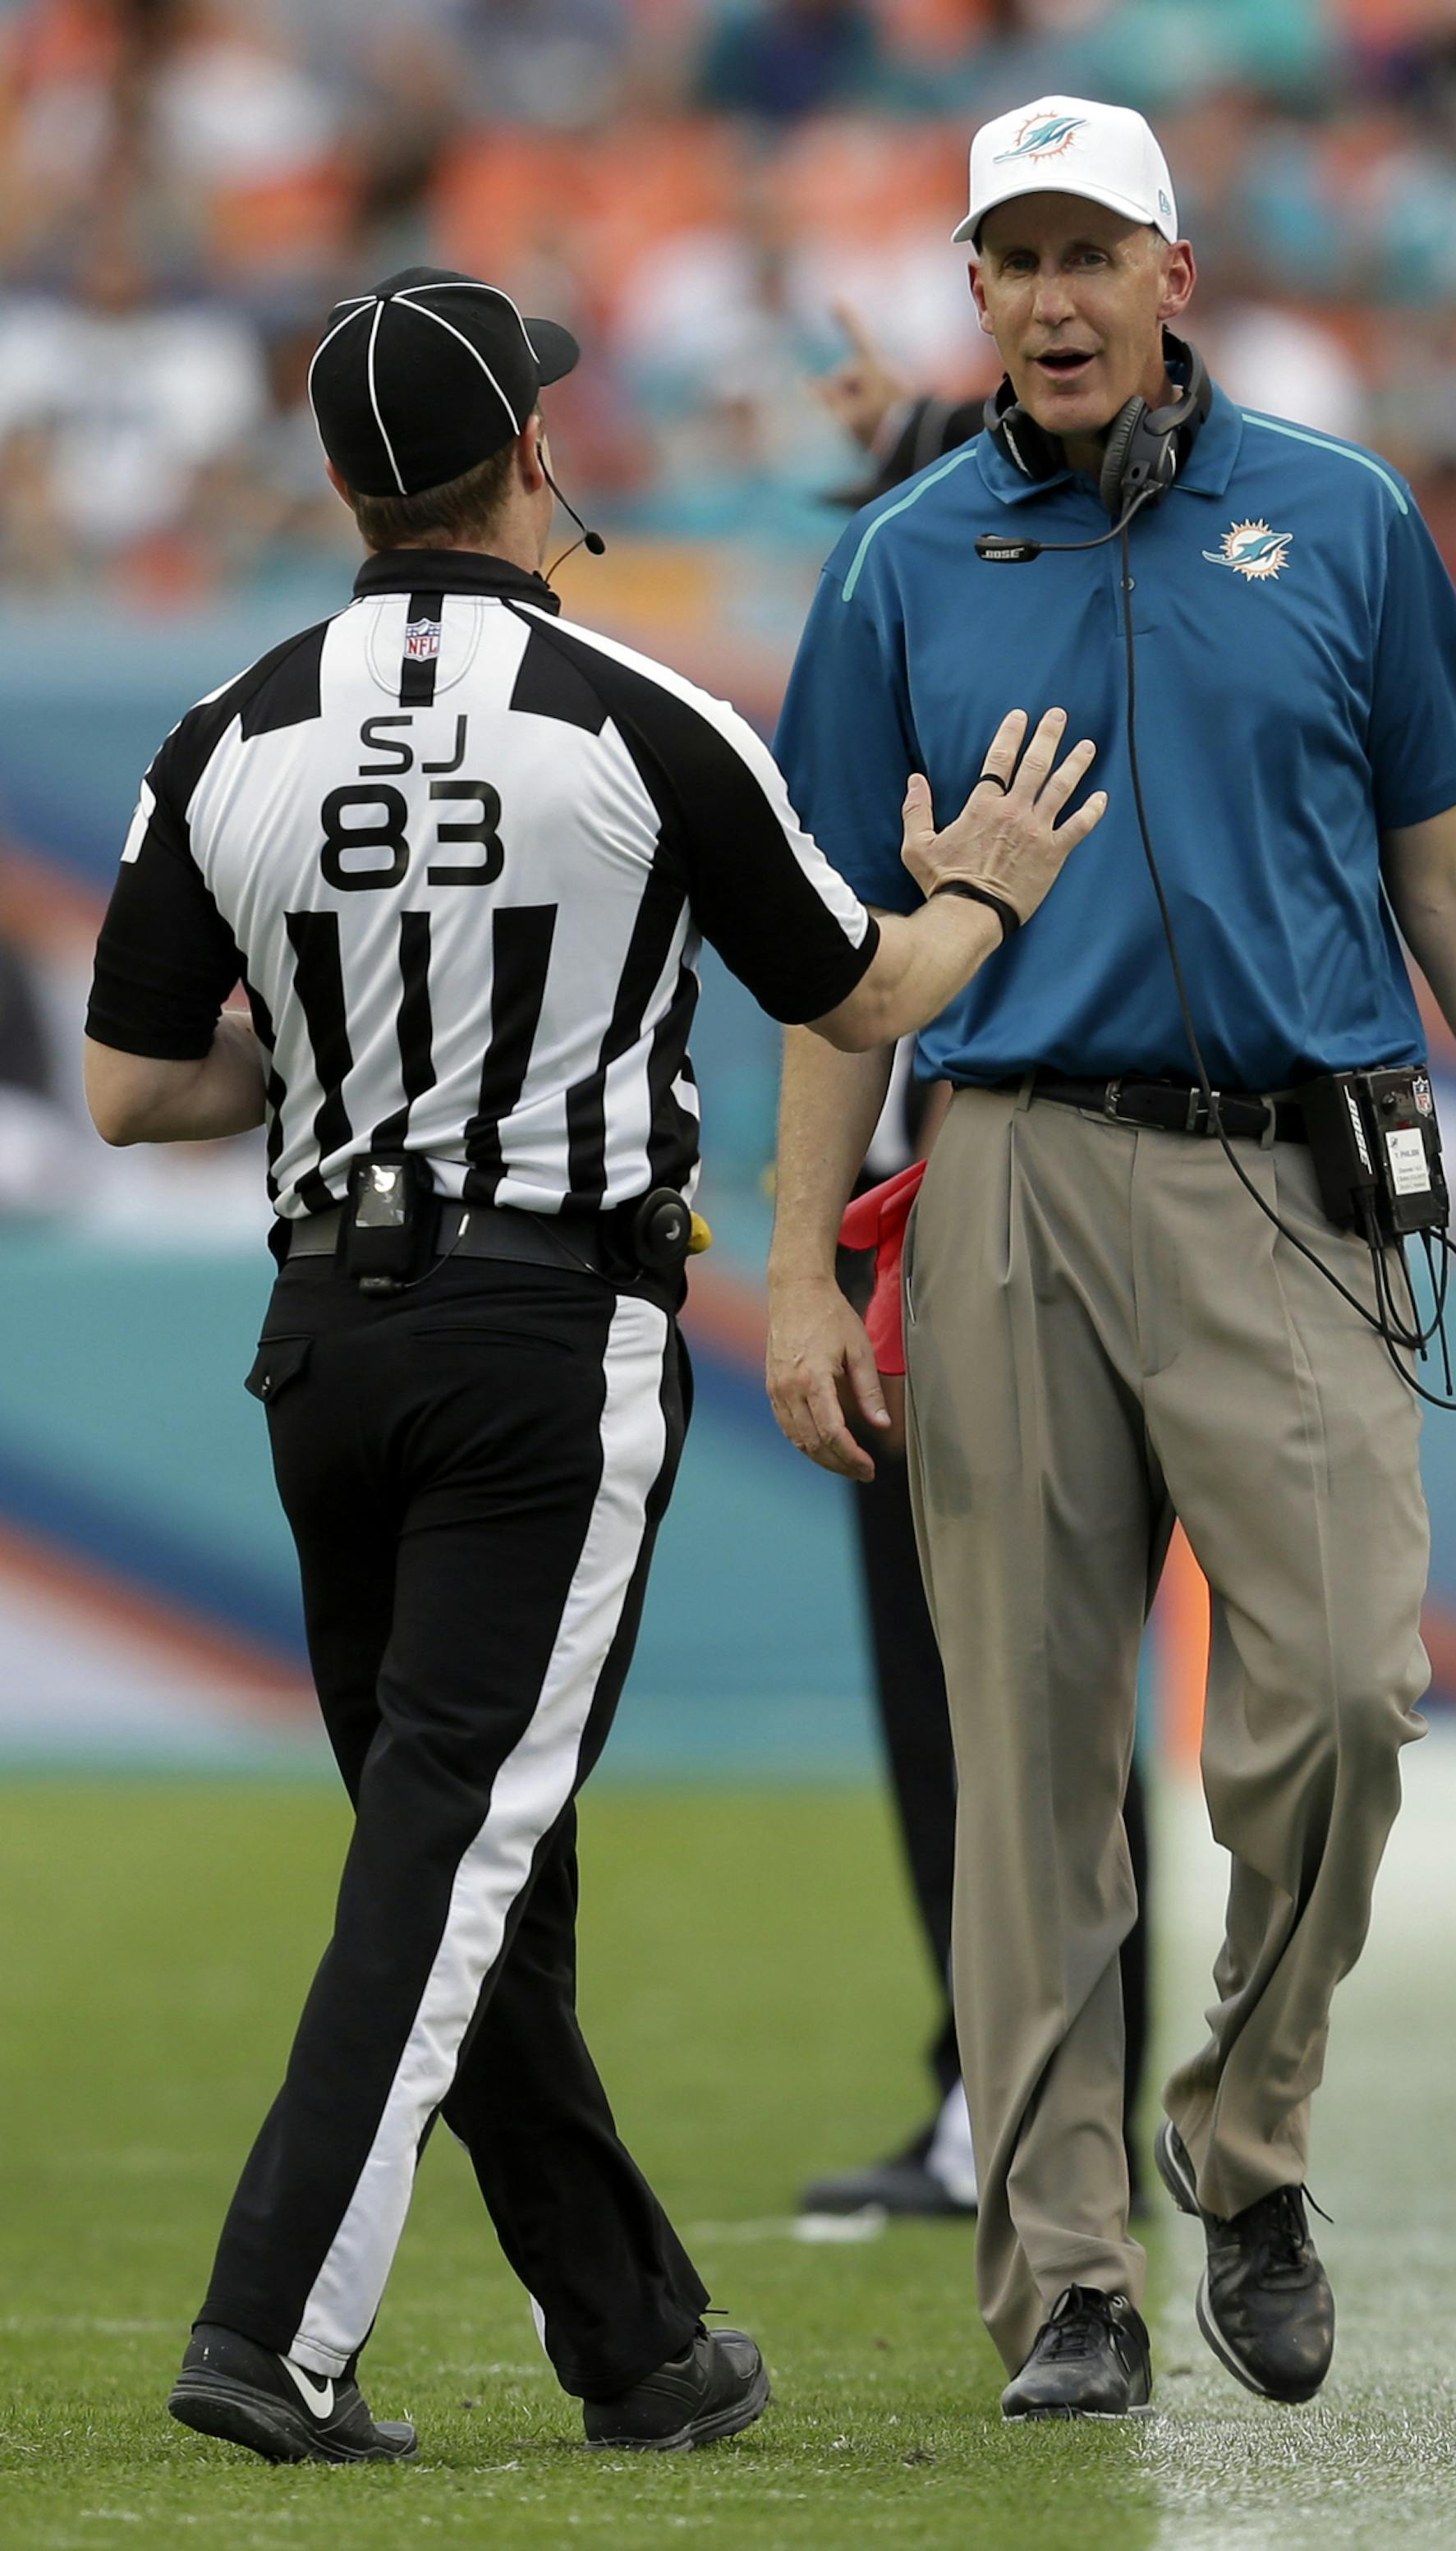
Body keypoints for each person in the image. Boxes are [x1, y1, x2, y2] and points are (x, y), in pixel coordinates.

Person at [81, 263, 1106, 2466]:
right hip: (547, 1327)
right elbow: (858, 993)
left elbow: (127, 1088)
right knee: (458, 1845)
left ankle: (635, 2335)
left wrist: (350, 1047)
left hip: (321, 1335)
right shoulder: (642, 714)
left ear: (346, 481)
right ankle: (276, 2324)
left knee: (460, 1841)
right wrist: (996, 891)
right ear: (534, 457)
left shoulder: (226, 725)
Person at [765, 95, 1456, 2422]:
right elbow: (837, 966)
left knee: (1349, 1695)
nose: (1048, 299)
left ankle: (1244, 2145)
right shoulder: (899, 564)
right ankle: (1066, 2269)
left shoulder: (1341, 517)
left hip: (1295, 1174)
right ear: (978, 294)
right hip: (1012, 1179)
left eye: (1090, 254)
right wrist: (781, 1279)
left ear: (1177, 277)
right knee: (1033, 1760)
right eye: (1010, 260)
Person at [799, 315, 1154, 2224]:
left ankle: (1044, 2095)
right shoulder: (961, 611)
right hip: (928, 1205)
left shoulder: (1043, 676)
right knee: (991, 1688)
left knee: (1018, 1687)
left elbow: (864, 983)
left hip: (1011, 1198)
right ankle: (1003, 2082)